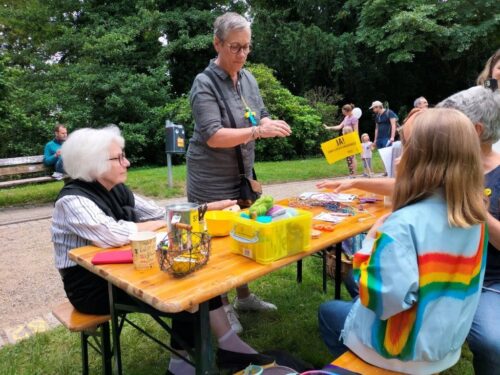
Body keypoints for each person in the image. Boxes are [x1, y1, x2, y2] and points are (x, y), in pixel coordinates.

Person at [52, 125, 274, 375]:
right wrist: (163, 223)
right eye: (119, 157)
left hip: (127, 269)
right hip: (93, 288)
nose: (127, 162)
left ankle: (221, 350)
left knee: (192, 274)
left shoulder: (117, 189)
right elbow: (112, 234)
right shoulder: (72, 200)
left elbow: (161, 213)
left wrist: (209, 208)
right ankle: (194, 362)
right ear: (92, 163)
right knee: (185, 287)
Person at [317, 85, 500, 375]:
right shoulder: (475, 218)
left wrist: (371, 242)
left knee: (327, 313)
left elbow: (382, 302)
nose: (397, 159)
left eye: (407, 148)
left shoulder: (401, 227)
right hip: (444, 347)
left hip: (401, 352)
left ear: (423, 160)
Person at [187, 12, 291, 332]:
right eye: (235, 47)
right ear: (217, 44)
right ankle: (221, 308)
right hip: (209, 178)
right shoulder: (204, 83)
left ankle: (243, 296)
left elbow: (258, 115)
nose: (243, 54)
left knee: (245, 233)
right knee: (216, 247)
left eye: (247, 47)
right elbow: (214, 135)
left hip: (242, 174)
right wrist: (257, 133)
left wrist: (265, 124)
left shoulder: (248, 78)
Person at [324, 104, 359, 174]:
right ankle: (351, 172)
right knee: (348, 157)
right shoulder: (346, 118)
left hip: (351, 139)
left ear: (348, 111)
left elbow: (356, 130)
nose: (343, 113)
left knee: (352, 156)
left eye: (344, 112)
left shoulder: (354, 118)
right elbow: (340, 126)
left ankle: (354, 173)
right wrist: (329, 127)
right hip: (345, 138)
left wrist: (355, 140)